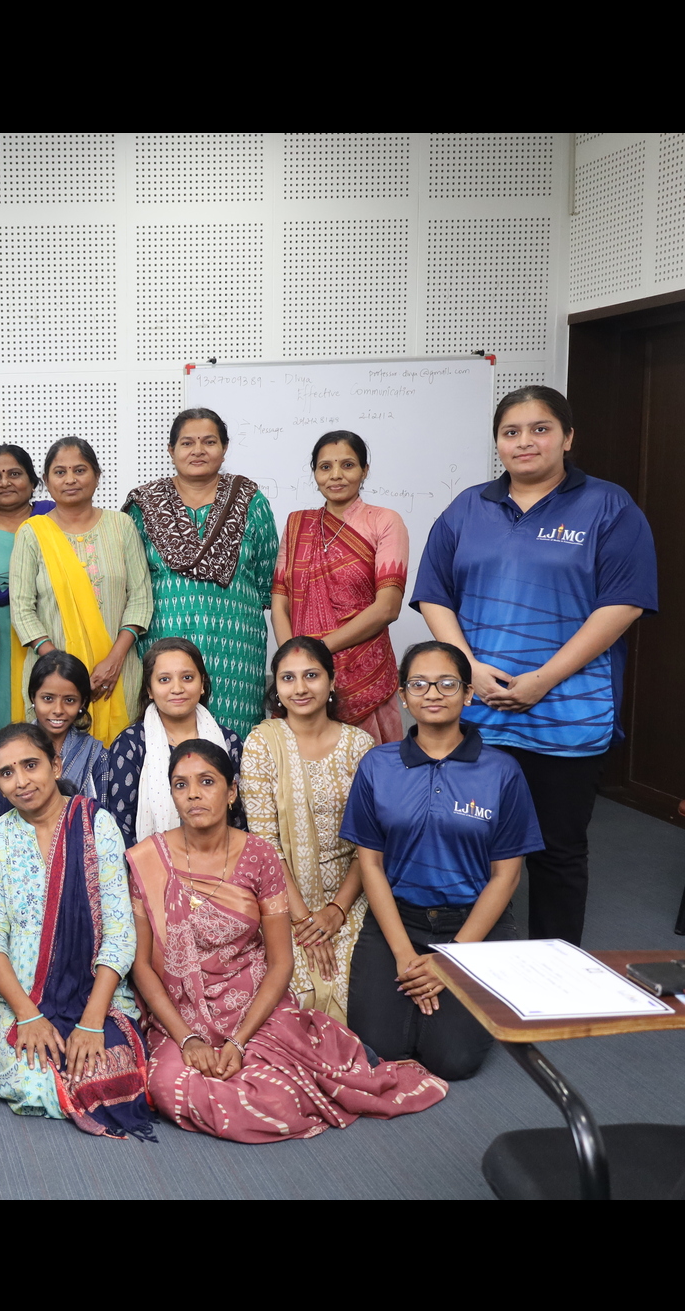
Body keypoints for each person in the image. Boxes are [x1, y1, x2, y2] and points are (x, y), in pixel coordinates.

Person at [414, 384, 657, 945]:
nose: (525, 442)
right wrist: (467, 668)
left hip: (567, 714)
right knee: (466, 842)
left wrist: (544, 680)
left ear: (567, 437)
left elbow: (623, 604)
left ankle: (553, 969)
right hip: (478, 712)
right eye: (511, 432)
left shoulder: (609, 506)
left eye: (540, 429)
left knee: (558, 852)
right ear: (498, 443)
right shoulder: (468, 507)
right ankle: (465, 965)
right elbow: (434, 594)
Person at [129, 739, 446, 1142]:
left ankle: (302, 1062)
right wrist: (188, 1039)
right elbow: (142, 966)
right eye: (181, 784)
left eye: (206, 781)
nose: (193, 794)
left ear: (231, 792)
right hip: (181, 1012)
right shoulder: (148, 859)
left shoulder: (259, 855)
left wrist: (238, 1041)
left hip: (252, 1007)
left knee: (277, 1097)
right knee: (169, 1089)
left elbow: (281, 962)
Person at [340, 642, 543, 1079]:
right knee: (379, 1049)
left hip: (474, 925)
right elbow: (370, 865)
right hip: (399, 920)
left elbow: (506, 878)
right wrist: (402, 954)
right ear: (403, 696)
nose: (432, 693)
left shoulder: (502, 771)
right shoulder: (377, 765)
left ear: (468, 694)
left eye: (447, 683)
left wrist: (451, 960)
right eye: (419, 684)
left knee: (453, 1061)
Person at [0, 723, 156, 1139]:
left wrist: (92, 1020)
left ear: (55, 766)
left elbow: (120, 932)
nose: (21, 781)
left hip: (93, 990)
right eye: (6, 773)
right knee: (35, 1084)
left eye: (30, 765)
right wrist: (27, 1014)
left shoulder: (96, 824)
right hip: (20, 993)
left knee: (112, 1077)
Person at [239, 638, 373, 1022]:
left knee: (358, 993)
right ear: (277, 687)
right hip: (283, 900)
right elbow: (266, 847)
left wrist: (336, 911)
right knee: (295, 996)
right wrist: (303, 922)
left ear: (332, 681)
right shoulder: (263, 744)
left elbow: (369, 845)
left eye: (311, 675)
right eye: (288, 678)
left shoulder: (359, 746)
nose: (300, 688)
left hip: (352, 896)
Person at [123, 408, 278, 737]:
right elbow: (131, 584)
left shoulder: (251, 501)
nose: (198, 450)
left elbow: (268, 580)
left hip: (236, 649)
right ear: (171, 450)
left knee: (233, 739)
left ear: (224, 448)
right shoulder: (144, 505)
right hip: (163, 643)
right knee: (166, 740)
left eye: (209, 442)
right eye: (187, 443)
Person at [10, 437, 152, 748]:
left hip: (116, 672)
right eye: (60, 472)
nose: (70, 479)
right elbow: (21, 611)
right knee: (50, 756)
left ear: (97, 475)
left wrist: (114, 660)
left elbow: (141, 599)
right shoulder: (32, 533)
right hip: (52, 679)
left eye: (80, 470)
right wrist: (61, 670)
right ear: (46, 481)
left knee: (119, 756)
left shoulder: (122, 526)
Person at [272, 431, 408, 743]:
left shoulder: (385, 521)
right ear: (314, 472)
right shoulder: (297, 524)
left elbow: (388, 607)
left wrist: (315, 652)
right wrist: (294, 662)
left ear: (364, 470)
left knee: (369, 764)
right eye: (325, 467)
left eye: (347, 465)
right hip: (305, 679)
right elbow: (279, 600)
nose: (335, 475)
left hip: (364, 672)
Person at [96, 637, 245, 850]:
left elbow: (240, 819)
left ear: (202, 684)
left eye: (187, 678)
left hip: (224, 861)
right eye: (164, 679)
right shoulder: (131, 744)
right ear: (149, 689)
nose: (177, 688)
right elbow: (120, 827)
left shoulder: (229, 742)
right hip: (149, 864)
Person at [0, 444, 54, 733]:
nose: (4, 482)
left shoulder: (54, 521)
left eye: (14, 474)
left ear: (33, 481)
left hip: (46, 635)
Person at [0, 650, 104, 820]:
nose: (58, 710)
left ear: (82, 703)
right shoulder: (6, 752)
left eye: (69, 700)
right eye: (48, 699)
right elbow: (0, 817)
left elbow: (103, 816)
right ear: (32, 697)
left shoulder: (96, 755)